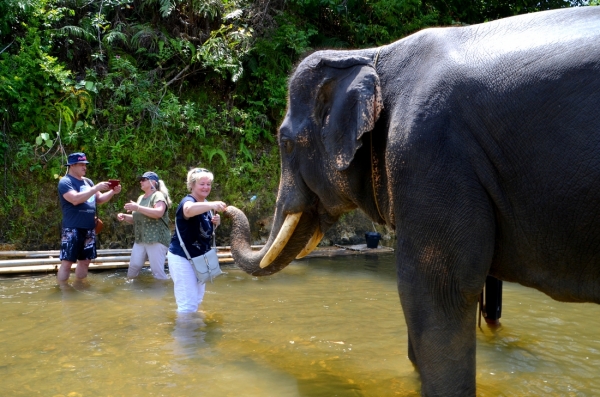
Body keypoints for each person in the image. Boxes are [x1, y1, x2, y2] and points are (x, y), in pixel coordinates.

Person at [167, 168, 227, 313]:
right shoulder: (188, 202)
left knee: (197, 300)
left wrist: (215, 222)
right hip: (183, 258)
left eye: (208, 184)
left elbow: (203, 231)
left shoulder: (205, 204)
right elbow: (188, 210)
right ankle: (186, 334)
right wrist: (212, 205)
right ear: (192, 185)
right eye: (202, 184)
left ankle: (196, 332)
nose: (206, 187)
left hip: (199, 258)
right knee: (187, 306)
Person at [57, 152, 121, 284]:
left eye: (85, 164)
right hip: (72, 228)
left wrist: (112, 192)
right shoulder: (65, 182)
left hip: (89, 227)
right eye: (81, 164)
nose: (84, 167)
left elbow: (100, 199)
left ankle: (79, 287)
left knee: (85, 262)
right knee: (67, 262)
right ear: (72, 165)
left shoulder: (88, 182)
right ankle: (62, 289)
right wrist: (95, 188)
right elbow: (74, 199)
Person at [117, 171, 172, 280]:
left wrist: (137, 208)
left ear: (153, 182)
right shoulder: (141, 198)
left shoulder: (158, 195)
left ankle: (162, 294)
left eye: (143, 179)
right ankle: (131, 292)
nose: (140, 182)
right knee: (133, 267)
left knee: (157, 271)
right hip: (141, 239)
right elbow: (138, 219)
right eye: (140, 180)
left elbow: (158, 213)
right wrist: (125, 217)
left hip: (156, 239)